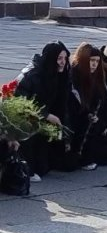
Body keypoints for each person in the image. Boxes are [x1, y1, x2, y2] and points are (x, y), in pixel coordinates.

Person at [14, 41, 72, 180]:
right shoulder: (33, 76)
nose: (62, 62)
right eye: (59, 58)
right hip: (28, 121)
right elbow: (21, 103)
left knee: (47, 167)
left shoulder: (62, 76)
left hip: (47, 123)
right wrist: (46, 115)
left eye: (65, 58)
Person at [66, 43, 107, 170]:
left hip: (91, 124)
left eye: (97, 61)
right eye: (91, 60)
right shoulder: (73, 77)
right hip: (75, 123)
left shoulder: (97, 78)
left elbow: (102, 104)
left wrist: (99, 121)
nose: (94, 64)